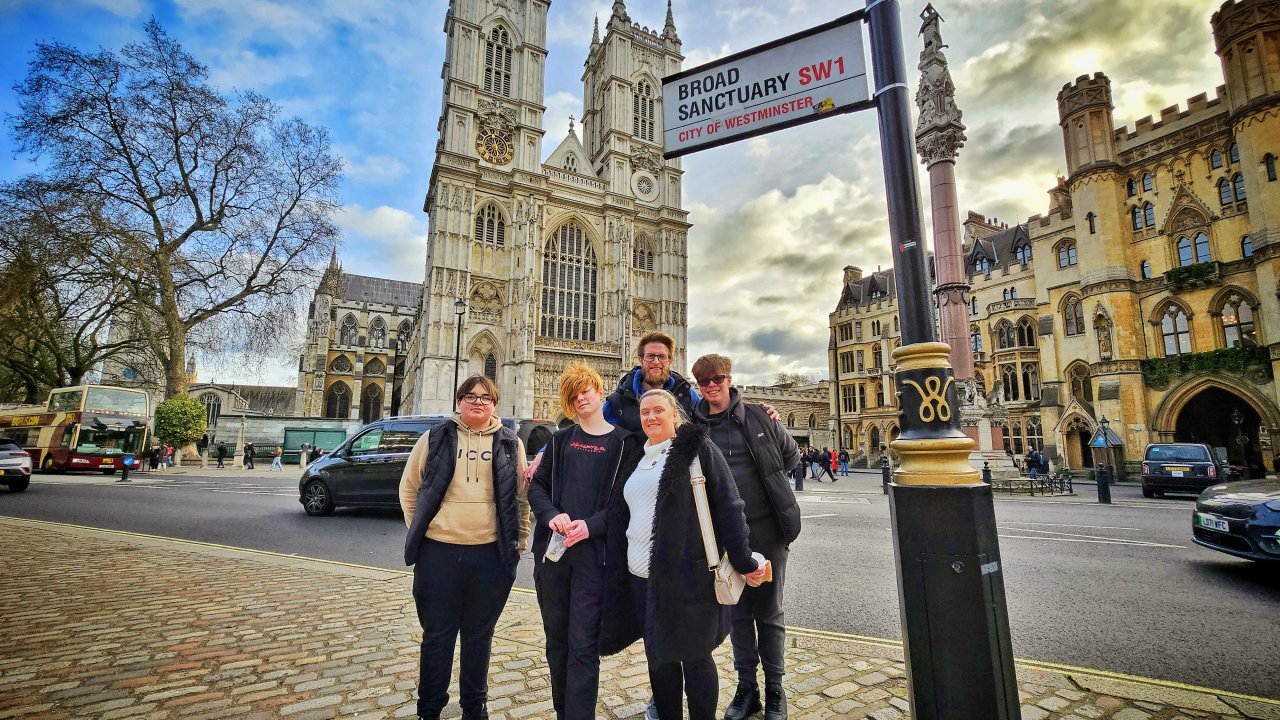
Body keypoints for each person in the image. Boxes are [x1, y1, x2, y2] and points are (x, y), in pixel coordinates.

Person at [600, 389, 767, 720]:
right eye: (645, 412)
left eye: (658, 411)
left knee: (694, 657)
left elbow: (730, 507)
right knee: (659, 659)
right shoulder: (639, 456)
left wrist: (745, 560)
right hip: (641, 578)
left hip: (686, 576)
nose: (651, 417)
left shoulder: (696, 449)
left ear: (675, 414)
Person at [399, 375, 531, 720]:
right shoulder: (436, 437)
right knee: (437, 637)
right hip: (439, 553)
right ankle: (429, 709)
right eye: (470, 396)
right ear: (459, 401)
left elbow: (520, 497)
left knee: (479, 636)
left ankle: (475, 708)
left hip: (490, 555)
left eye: (485, 398)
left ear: (495, 404)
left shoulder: (509, 442)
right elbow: (410, 488)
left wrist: (519, 542)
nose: (477, 402)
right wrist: (423, 532)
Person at [528, 365, 644, 720]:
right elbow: (537, 487)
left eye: (586, 391)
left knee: (583, 645)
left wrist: (590, 527)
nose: (581, 398)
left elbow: (625, 506)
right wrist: (551, 516)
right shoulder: (561, 441)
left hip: (595, 559)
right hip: (555, 556)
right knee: (556, 642)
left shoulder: (624, 444)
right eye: (573, 395)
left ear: (598, 390)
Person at [690, 355, 800, 720]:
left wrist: (766, 483)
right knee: (736, 610)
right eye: (703, 381)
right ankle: (747, 688)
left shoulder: (757, 415)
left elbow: (791, 456)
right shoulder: (694, 425)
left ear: (729, 379)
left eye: (717, 379)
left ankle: (775, 690)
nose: (711, 386)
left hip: (767, 529)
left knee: (768, 612)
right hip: (726, 536)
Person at [603, 332, 701, 430]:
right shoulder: (617, 402)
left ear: (670, 360)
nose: (656, 362)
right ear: (640, 359)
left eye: (662, 357)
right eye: (650, 356)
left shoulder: (686, 394)